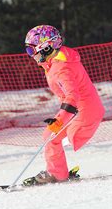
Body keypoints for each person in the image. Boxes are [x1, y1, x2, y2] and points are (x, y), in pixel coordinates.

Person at [24, 25, 105, 184]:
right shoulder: (57, 61)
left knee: (50, 136)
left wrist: (60, 119)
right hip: (82, 108)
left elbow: (72, 96)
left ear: (46, 47)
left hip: (83, 111)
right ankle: (58, 173)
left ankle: (56, 174)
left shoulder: (61, 68)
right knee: (50, 135)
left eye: (31, 50)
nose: (31, 55)